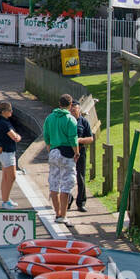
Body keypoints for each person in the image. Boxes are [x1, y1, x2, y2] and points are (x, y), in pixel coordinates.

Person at [43, 93, 79, 222]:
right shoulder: (70, 119)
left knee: (54, 182)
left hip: (53, 151)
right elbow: (73, 138)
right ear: (70, 105)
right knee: (67, 183)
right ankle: (63, 215)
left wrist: (50, 148)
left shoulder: (50, 118)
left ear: (59, 104)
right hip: (66, 152)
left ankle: (57, 212)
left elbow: (46, 135)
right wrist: (77, 152)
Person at [0, 102, 22, 209]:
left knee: (5, 177)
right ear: (4, 112)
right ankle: (5, 201)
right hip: (7, 153)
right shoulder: (4, 123)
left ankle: (6, 199)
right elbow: (15, 137)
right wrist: (18, 136)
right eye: (10, 110)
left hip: (4, 152)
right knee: (11, 177)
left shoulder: (3, 121)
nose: (11, 112)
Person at [68, 98, 95, 213]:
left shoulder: (83, 122)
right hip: (68, 152)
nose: (73, 112)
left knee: (80, 177)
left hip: (80, 152)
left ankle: (81, 202)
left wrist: (79, 140)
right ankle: (67, 201)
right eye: (71, 110)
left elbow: (90, 138)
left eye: (75, 110)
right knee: (67, 178)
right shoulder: (67, 121)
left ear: (79, 110)